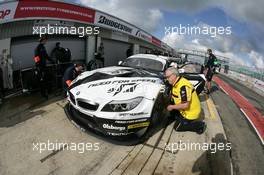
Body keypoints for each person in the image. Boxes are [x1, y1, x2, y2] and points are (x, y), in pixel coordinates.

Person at [165, 67, 206, 134]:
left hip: (190, 113)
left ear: (174, 76)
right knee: (172, 111)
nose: (167, 79)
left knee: (177, 127)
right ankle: (178, 117)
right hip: (184, 109)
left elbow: (185, 105)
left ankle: (199, 125)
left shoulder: (183, 86)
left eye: (168, 77)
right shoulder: (177, 81)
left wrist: (172, 107)